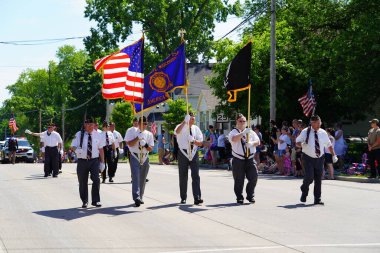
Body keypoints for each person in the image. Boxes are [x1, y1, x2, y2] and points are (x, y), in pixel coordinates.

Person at [296, 115, 338, 205]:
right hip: (308, 157)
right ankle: (304, 190)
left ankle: (317, 199)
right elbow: (297, 142)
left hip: (320, 158)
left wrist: (334, 155)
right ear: (312, 123)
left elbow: (329, 144)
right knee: (309, 177)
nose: (320, 124)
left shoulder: (323, 132)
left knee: (318, 179)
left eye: (320, 122)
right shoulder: (305, 131)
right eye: (318, 123)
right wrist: (302, 144)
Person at [71, 118, 105, 208]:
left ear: (94, 125)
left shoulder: (98, 135)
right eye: (88, 125)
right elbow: (73, 145)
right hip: (82, 161)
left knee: (96, 179)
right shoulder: (79, 134)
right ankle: (84, 201)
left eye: (92, 124)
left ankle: (96, 200)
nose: (90, 127)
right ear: (85, 125)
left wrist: (103, 162)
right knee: (82, 182)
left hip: (94, 160)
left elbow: (101, 149)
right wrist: (77, 150)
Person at [229, 113, 260, 204]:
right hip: (238, 159)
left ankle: (250, 195)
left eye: (244, 121)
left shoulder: (250, 131)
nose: (242, 122)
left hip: (250, 158)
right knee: (239, 179)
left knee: (254, 176)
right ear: (236, 122)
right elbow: (234, 139)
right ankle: (239, 197)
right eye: (240, 121)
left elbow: (258, 142)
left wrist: (251, 143)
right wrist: (242, 133)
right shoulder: (233, 132)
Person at [174, 112, 204, 205]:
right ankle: (183, 197)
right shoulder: (180, 126)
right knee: (183, 176)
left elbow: (201, 143)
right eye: (191, 118)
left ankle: (197, 197)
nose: (193, 120)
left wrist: (194, 141)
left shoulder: (196, 128)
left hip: (194, 152)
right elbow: (176, 132)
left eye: (193, 118)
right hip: (183, 152)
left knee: (196, 176)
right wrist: (184, 122)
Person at [125, 116, 154, 207]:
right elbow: (129, 143)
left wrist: (144, 144)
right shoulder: (131, 131)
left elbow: (150, 148)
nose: (145, 125)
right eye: (143, 123)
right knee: (136, 177)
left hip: (145, 157)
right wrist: (137, 138)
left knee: (143, 179)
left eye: (146, 123)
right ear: (139, 123)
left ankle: (140, 196)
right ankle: (136, 197)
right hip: (135, 155)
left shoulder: (149, 134)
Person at [124, 117, 139, 182]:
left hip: (140, 149)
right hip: (131, 150)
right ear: (133, 123)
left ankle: (140, 176)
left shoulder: (140, 129)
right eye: (134, 122)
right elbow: (126, 141)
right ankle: (133, 177)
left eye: (137, 122)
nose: (136, 123)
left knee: (140, 164)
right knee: (133, 164)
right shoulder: (129, 130)